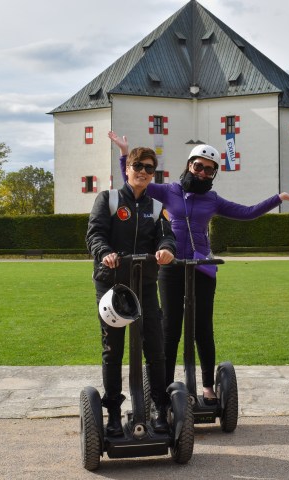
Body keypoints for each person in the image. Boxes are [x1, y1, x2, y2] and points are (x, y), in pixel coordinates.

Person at [108, 131, 289, 404]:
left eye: (208, 170)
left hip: (202, 267)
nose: (201, 172)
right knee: (170, 328)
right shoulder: (167, 191)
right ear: (189, 165)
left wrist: (278, 198)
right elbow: (134, 181)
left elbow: (246, 213)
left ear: (212, 174)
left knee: (202, 328)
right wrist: (123, 152)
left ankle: (208, 387)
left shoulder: (213, 200)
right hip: (171, 265)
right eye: (198, 166)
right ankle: (163, 390)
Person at [86, 146, 176, 436]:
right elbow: (95, 233)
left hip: (145, 283)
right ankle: (112, 412)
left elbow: (167, 236)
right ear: (127, 168)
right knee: (113, 349)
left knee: (155, 347)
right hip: (112, 284)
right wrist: (105, 252)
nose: (143, 172)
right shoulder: (108, 199)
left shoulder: (155, 206)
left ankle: (160, 409)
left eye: (150, 168)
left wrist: (165, 250)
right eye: (138, 166)